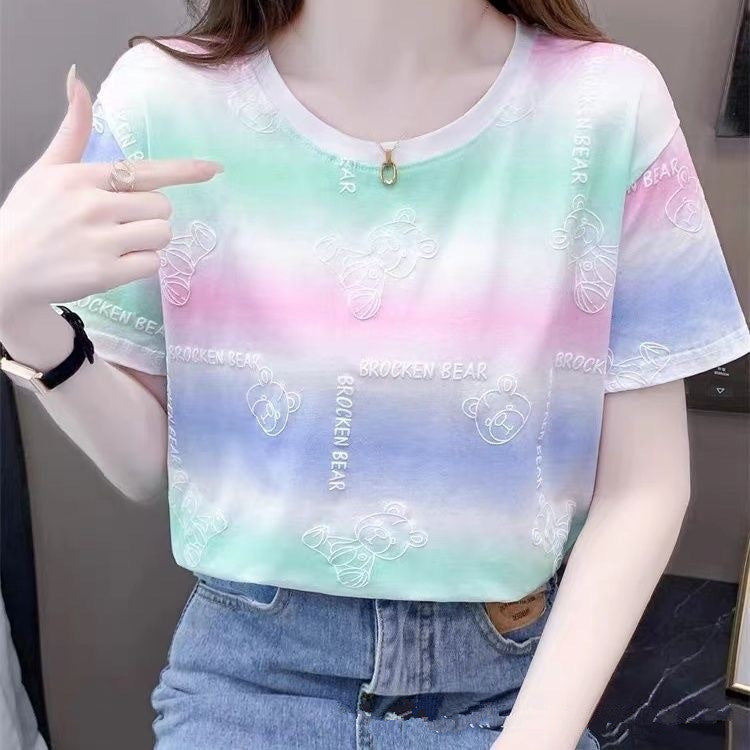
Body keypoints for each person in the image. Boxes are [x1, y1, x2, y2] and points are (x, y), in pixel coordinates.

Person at [1, 1, 748, 748]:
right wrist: (15, 310)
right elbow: (146, 465)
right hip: (251, 685)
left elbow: (643, 488)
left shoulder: (604, 108)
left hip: (514, 689)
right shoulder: (163, 100)